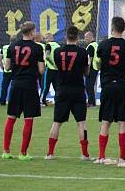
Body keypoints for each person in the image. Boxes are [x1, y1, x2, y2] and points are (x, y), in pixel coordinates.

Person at [44, 26, 91, 161]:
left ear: (66, 36)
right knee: (81, 123)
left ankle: (50, 153)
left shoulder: (58, 52)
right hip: (78, 90)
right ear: (77, 36)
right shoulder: (83, 52)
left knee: (57, 122)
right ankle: (85, 154)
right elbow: (86, 73)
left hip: (62, 89)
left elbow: (57, 67)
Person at [94, 16, 125, 167]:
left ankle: (101, 156)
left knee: (106, 121)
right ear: (124, 29)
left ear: (112, 28)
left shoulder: (103, 45)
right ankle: (122, 157)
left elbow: (98, 65)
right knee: (123, 122)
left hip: (107, 86)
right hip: (123, 86)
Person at [3, 21, 44, 160]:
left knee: (11, 118)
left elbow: (7, 67)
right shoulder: (37, 48)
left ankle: (6, 151)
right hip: (30, 85)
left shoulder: (12, 46)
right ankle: (23, 153)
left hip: (15, 84)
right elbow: (41, 70)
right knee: (28, 119)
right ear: (32, 32)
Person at [40, 34, 60, 105]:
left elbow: (47, 56)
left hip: (49, 69)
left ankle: (42, 100)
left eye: (46, 38)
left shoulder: (48, 45)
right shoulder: (58, 45)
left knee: (46, 86)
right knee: (56, 86)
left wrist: (53, 64)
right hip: (57, 70)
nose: (45, 40)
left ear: (50, 38)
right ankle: (58, 100)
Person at [84, 31, 98, 107]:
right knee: (90, 85)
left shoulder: (90, 46)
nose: (85, 39)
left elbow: (90, 58)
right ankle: (92, 101)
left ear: (90, 37)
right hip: (96, 67)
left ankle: (91, 102)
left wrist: (87, 69)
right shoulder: (96, 45)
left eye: (86, 37)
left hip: (91, 67)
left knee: (88, 85)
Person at [0, 37, 14, 106]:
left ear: (9, 40)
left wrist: (3, 67)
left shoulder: (4, 47)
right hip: (14, 70)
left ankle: (2, 101)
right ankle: (12, 101)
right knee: (13, 87)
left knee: (4, 87)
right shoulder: (17, 47)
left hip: (6, 70)